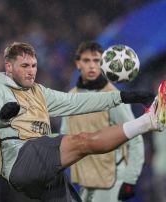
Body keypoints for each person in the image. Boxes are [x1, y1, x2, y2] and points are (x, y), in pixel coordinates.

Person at [0, 41, 166, 202]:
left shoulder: (39, 92)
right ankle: (148, 121)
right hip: (21, 158)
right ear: (9, 68)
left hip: (44, 168)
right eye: (24, 66)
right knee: (82, 141)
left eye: (34, 65)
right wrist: (3, 115)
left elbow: (76, 101)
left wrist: (123, 97)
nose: (31, 71)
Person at [60, 41, 145, 202]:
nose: (92, 66)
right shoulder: (71, 96)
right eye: (87, 61)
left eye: (97, 61)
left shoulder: (113, 96)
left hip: (111, 180)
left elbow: (135, 137)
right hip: (84, 179)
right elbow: (64, 137)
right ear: (78, 64)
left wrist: (130, 180)